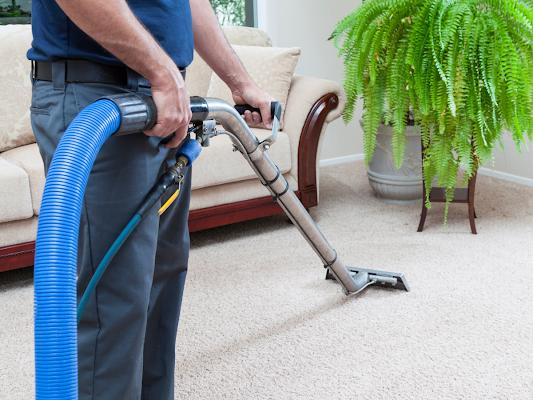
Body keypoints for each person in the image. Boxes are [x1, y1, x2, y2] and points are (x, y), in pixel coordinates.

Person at [28, 1, 273, 399]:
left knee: (161, 282)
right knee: (114, 303)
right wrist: (161, 72)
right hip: (101, 95)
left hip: (164, 105)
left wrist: (238, 80)